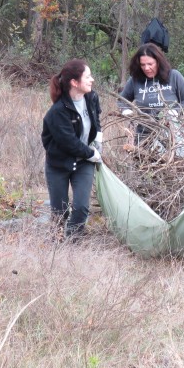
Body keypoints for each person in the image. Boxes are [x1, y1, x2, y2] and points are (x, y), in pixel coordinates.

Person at [41, 59, 103, 239]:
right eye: (88, 77)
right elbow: (69, 142)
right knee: (60, 212)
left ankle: (73, 242)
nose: (92, 80)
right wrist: (92, 153)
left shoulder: (92, 97)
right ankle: (56, 243)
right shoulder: (58, 111)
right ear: (74, 83)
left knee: (81, 207)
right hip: (59, 164)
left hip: (83, 162)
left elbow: (96, 119)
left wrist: (98, 140)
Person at [118, 43, 184, 118]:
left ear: (158, 62)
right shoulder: (135, 80)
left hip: (172, 127)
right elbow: (121, 100)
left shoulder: (174, 76)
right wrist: (125, 110)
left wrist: (176, 111)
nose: (146, 68)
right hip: (145, 127)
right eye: (143, 65)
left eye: (150, 64)